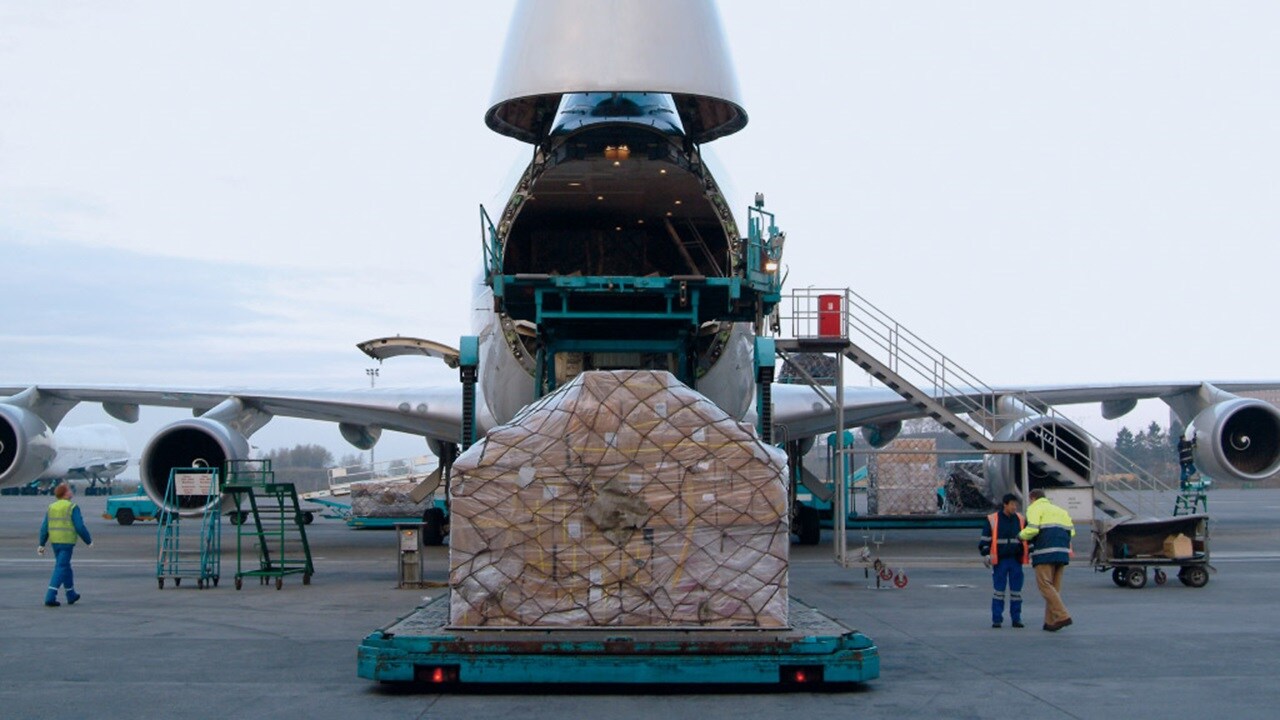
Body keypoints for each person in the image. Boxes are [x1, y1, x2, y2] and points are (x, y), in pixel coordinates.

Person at [1018, 488, 1075, 631]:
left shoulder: (1034, 509)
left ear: (1032, 498)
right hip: (1062, 553)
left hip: (1044, 553)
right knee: (1054, 589)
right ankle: (1050, 622)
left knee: (1045, 586)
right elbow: (1072, 532)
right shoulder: (1061, 511)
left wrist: (1020, 536)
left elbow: (1033, 529)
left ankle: (1063, 615)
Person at [38, 483, 93, 607]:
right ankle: (50, 595)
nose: (71, 491)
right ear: (65, 493)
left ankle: (70, 593)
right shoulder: (72, 507)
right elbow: (79, 526)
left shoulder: (51, 507)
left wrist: (41, 543)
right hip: (66, 542)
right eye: (69, 489)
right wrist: (88, 540)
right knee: (61, 567)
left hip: (55, 542)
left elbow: (44, 527)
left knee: (65, 567)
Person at [979, 493, 1028, 628]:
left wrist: (1031, 552)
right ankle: (997, 619)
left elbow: (1028, 538)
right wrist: (986, 554)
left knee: (1016, 592)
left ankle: (1016, 618)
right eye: (1012, 504)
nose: (1014, 507)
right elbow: (985, 539)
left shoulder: (1021, 519)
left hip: (1016, 560)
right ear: (1005, 504)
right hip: (1000, 560)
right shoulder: (993, 519)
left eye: (1016, 504)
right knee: (999, 591)